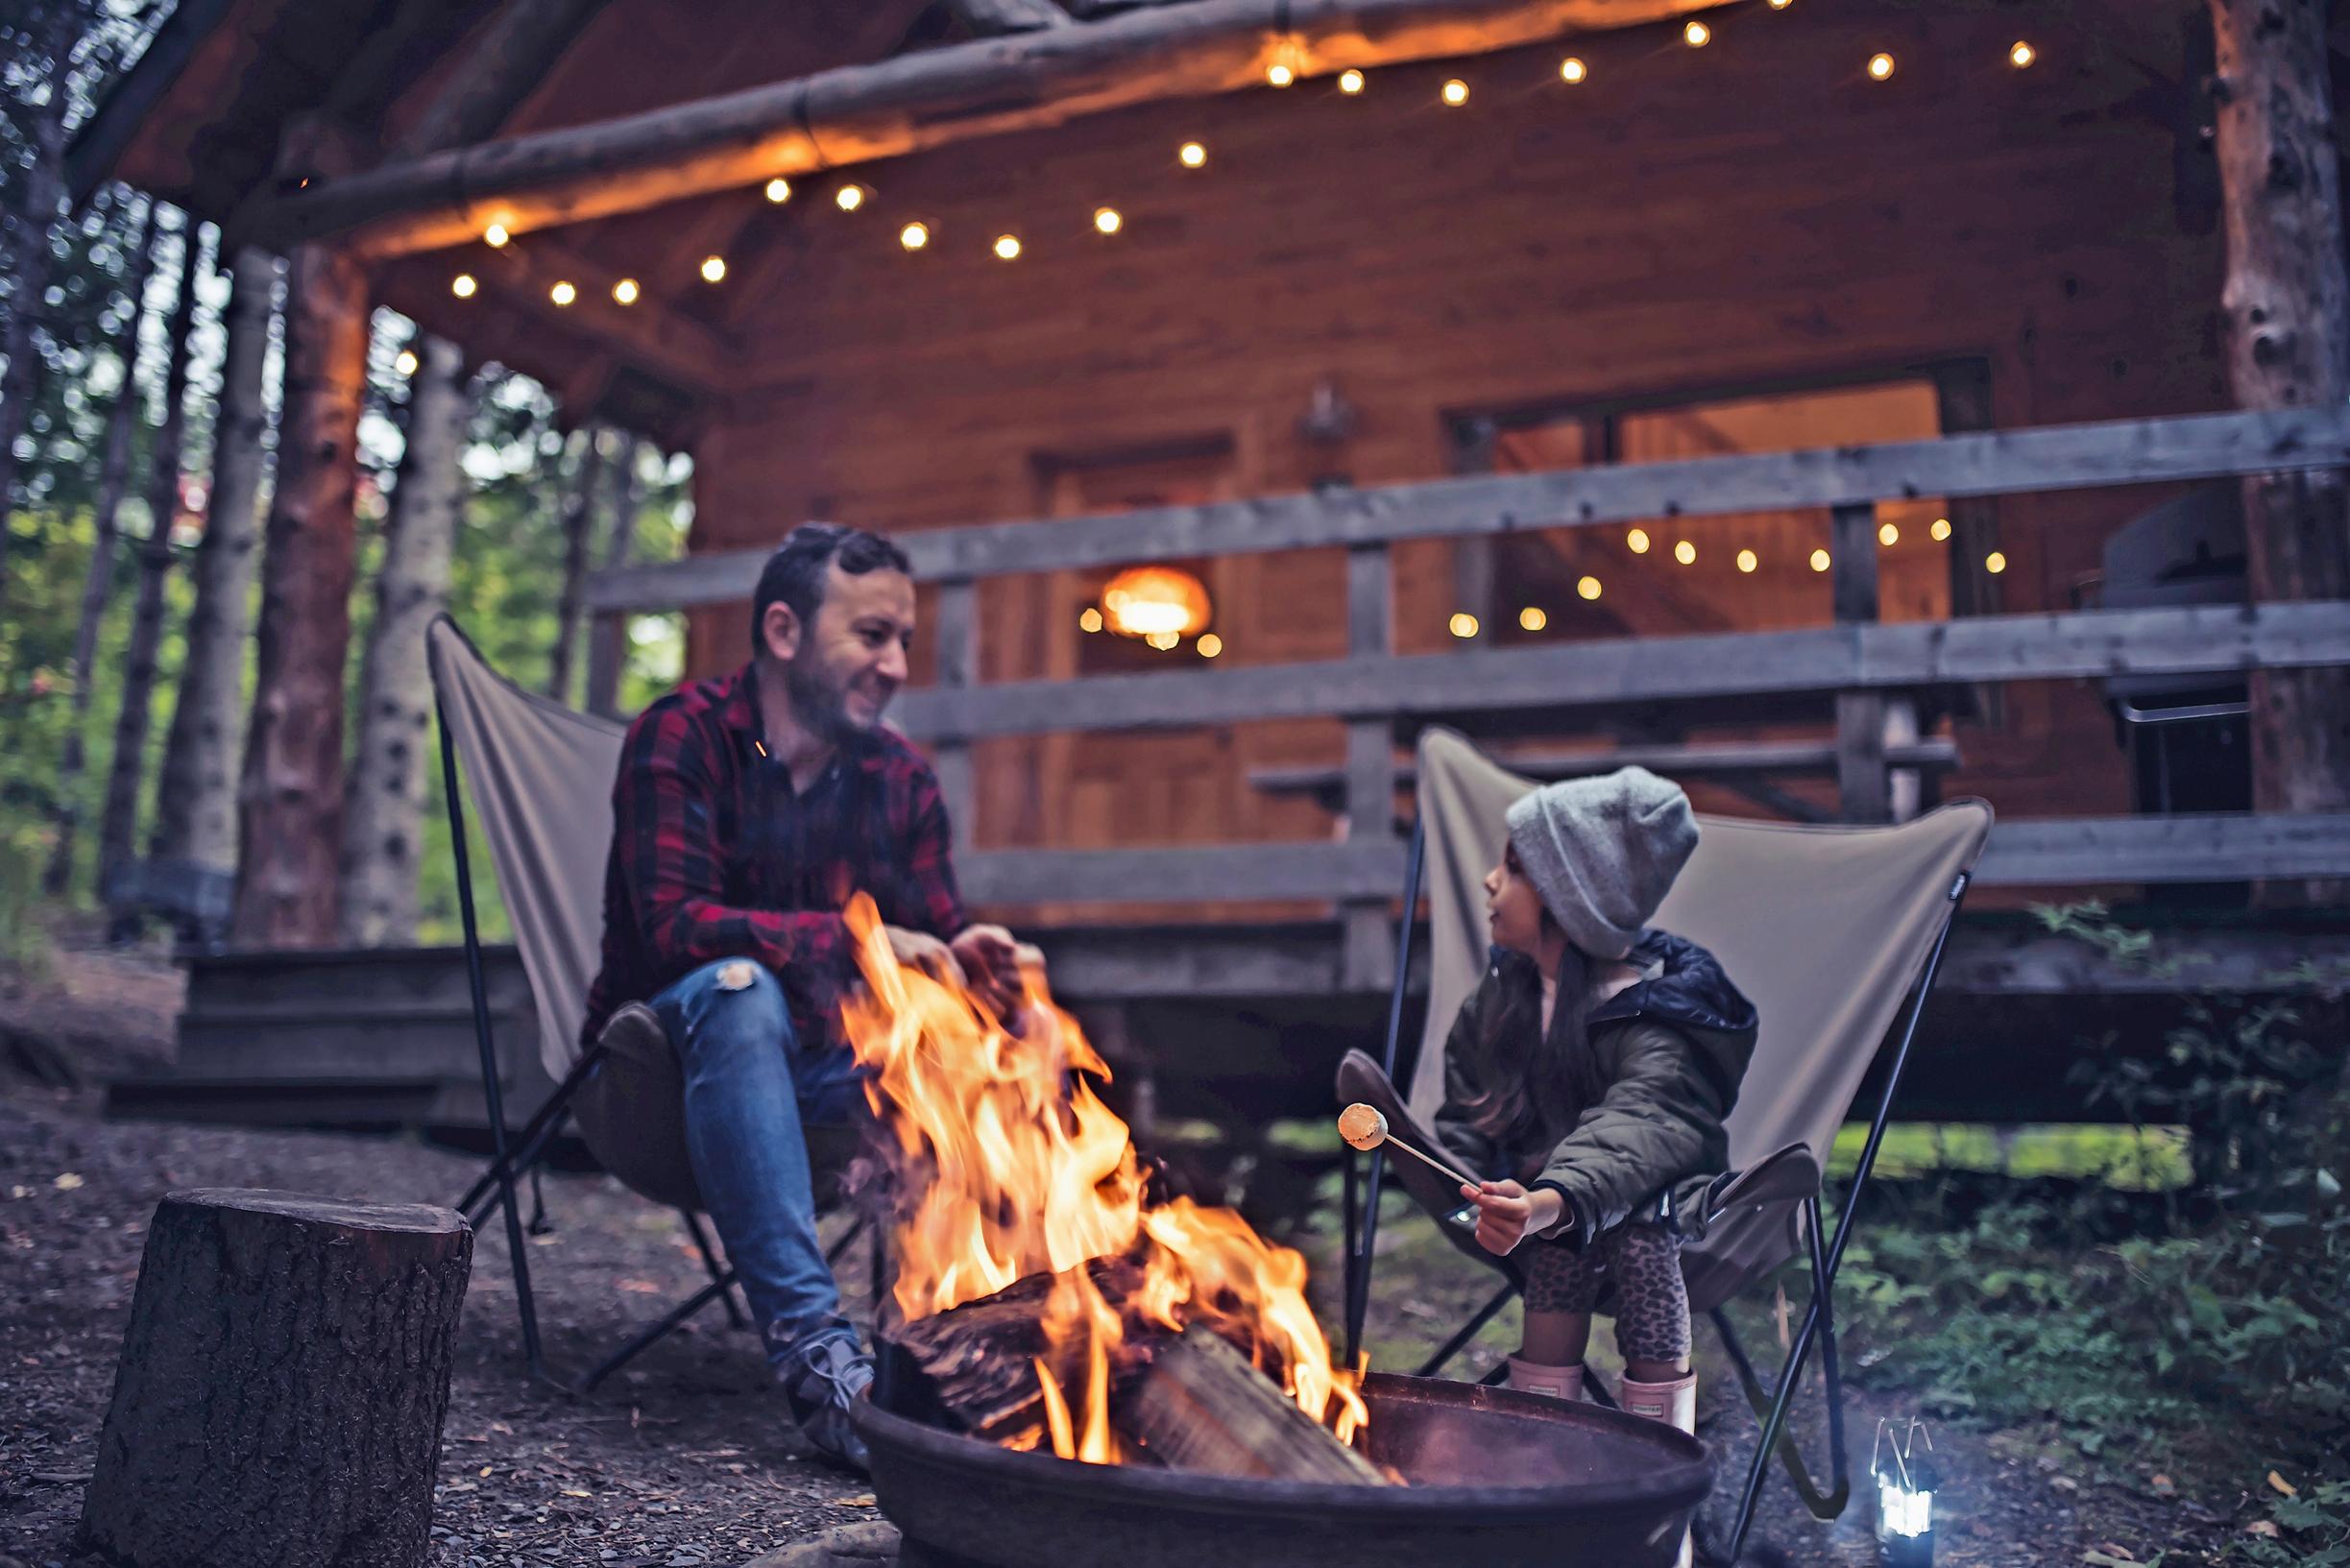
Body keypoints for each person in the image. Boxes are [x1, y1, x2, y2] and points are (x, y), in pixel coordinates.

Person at [577, 522, 1021, 1474]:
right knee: (739, 989)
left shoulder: (899, 779)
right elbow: (673, 928)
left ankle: (932, 1359)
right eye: (870, 636)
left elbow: (930, 944)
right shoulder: (683, 735)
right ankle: (821, 1362)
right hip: (659, 1084)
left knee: (956, 1046)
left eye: (903, 639)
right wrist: (862, 944)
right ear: (783, 631)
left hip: (827, 1104)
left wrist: (968, 957)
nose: (896, 663)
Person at [1436, 767, 1756, 1439]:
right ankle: (1545, 1447)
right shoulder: (1503, 1000)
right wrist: (1471, 1195)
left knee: (1637, 1233)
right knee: (1562, 1244)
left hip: (1657, 1204)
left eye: (1514, 868)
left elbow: (1640, 1124)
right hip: (1539, 1211)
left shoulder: (1661, 1014)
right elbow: (1464, 1115)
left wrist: (1547, 1203)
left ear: (1567, 898)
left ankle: (1658, 1453)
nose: (1491, 880)